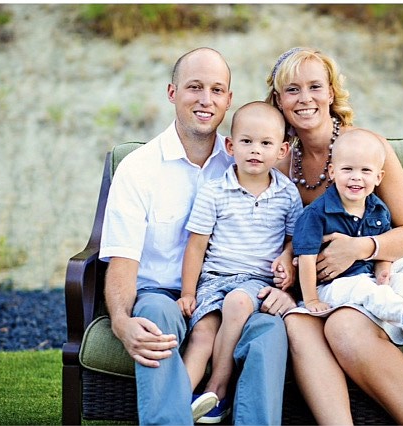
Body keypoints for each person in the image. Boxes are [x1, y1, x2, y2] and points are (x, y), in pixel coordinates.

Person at [100, 47, 296, 425]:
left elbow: (295, 205)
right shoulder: (139, 170)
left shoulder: (246, 159)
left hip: (235, 292)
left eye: (217, 90)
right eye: (194, 87)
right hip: (163, 296)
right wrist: (121, 321)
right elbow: (122, 259)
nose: (206, 100)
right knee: (155, 315)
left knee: (270, 330)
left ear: (228, 100)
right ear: (172, 93)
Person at [265, 46, 403, 424]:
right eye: (292, 90)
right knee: (297, 325)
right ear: (279, 101)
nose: (305, 99)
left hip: (378, 275)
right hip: (320, 285)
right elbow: (287, 232)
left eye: (315, 86)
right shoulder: (281, 161)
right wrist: (286, 258)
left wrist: (359, 248)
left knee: (344, 325)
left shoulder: (365, 148)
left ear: (331, 92)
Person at [291, 128, 403, 374]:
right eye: (348, 170)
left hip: (367, 274)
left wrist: (384, 268)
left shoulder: (377, 208)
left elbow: (382, 246)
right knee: (366, 290)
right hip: (333, 286)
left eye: (365, 171)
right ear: (333, 172)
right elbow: (305, 259)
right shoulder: (315, 214)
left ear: (379, 177)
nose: (356, 178)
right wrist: (311, 298)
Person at [179, 101, 303, 422]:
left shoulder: (287, 194)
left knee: (236, 302)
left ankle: (217, 389)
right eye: (246, 142)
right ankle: (174, 406)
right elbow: (196, 246)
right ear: (231, 146)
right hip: (215, 279)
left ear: (282, 150)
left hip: (256, 283)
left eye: (265, 143)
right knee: (203, 334)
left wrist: (287, 261)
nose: (255, 151)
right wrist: (189, 293)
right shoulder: (214, 191)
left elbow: (294, 241)